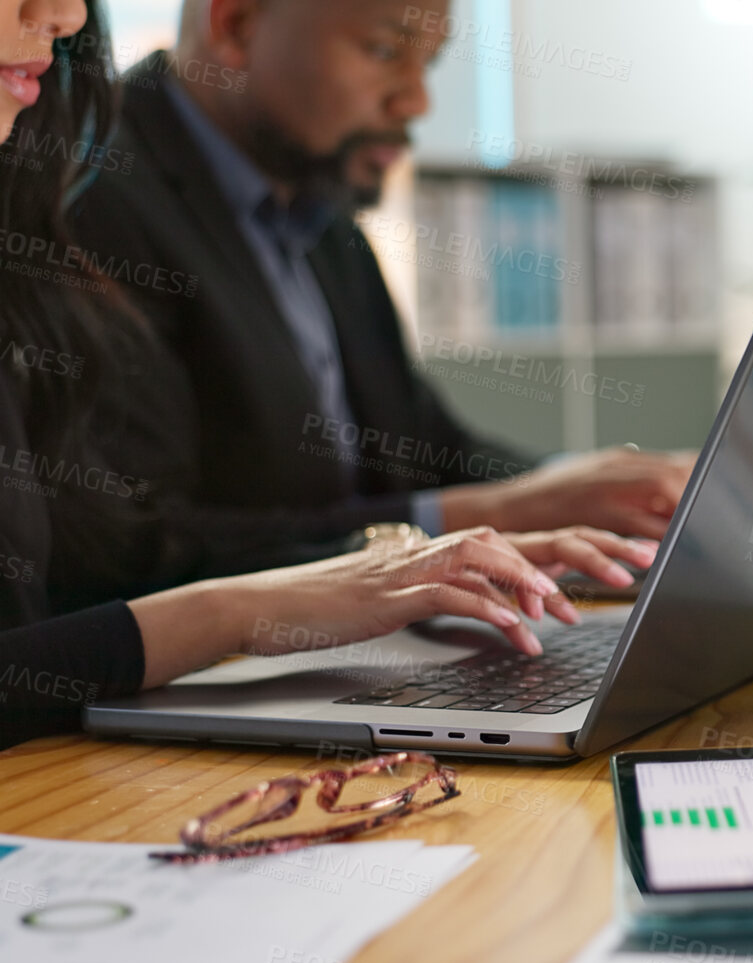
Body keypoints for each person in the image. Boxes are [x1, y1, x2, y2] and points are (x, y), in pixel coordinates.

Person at [0, 0, 655, 750]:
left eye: (429, 64)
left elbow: (423, 443)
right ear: (237, 25)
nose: (415, 100)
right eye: (384, 51)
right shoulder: (84, 192)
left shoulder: (315, 209)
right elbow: (127, 550)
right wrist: (411, 546)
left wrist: (591, 499)